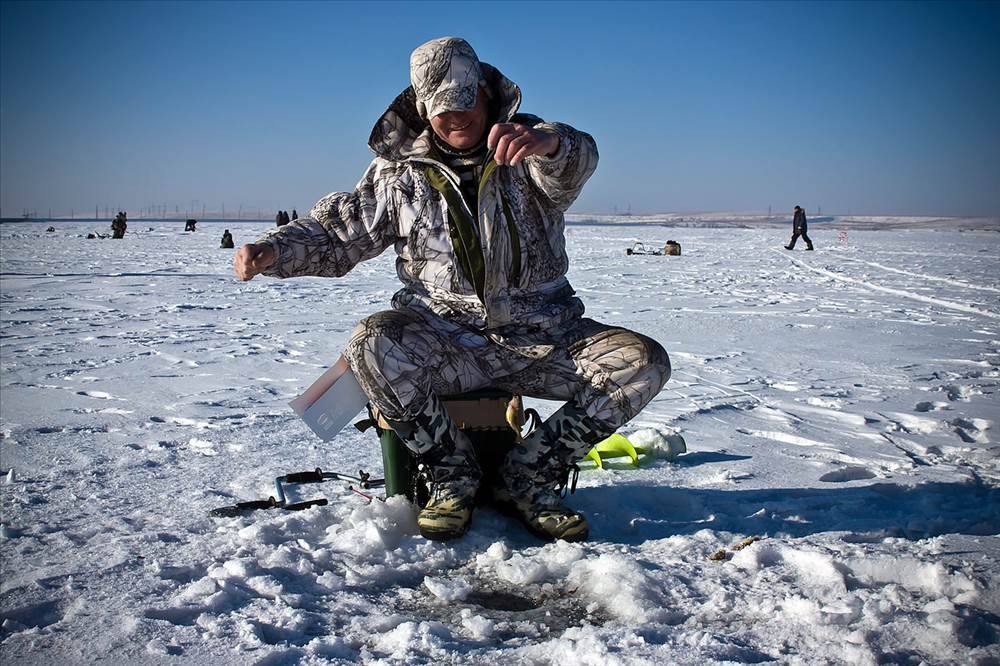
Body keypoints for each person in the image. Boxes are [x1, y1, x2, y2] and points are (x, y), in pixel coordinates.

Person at [234, 37, 670, 543]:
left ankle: (529, 475)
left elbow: (575, 162)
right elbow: (340, 232)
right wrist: (273, 251)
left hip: (546, 335)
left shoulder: (529, 148)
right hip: (445, 338)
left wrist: (552, 143)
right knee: (370, 344)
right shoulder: (398, 173)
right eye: (441, 108)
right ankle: (451, 476)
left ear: (487, 93)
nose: (455, 117)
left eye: (466, 102)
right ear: (422, 107)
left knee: (644, 363)